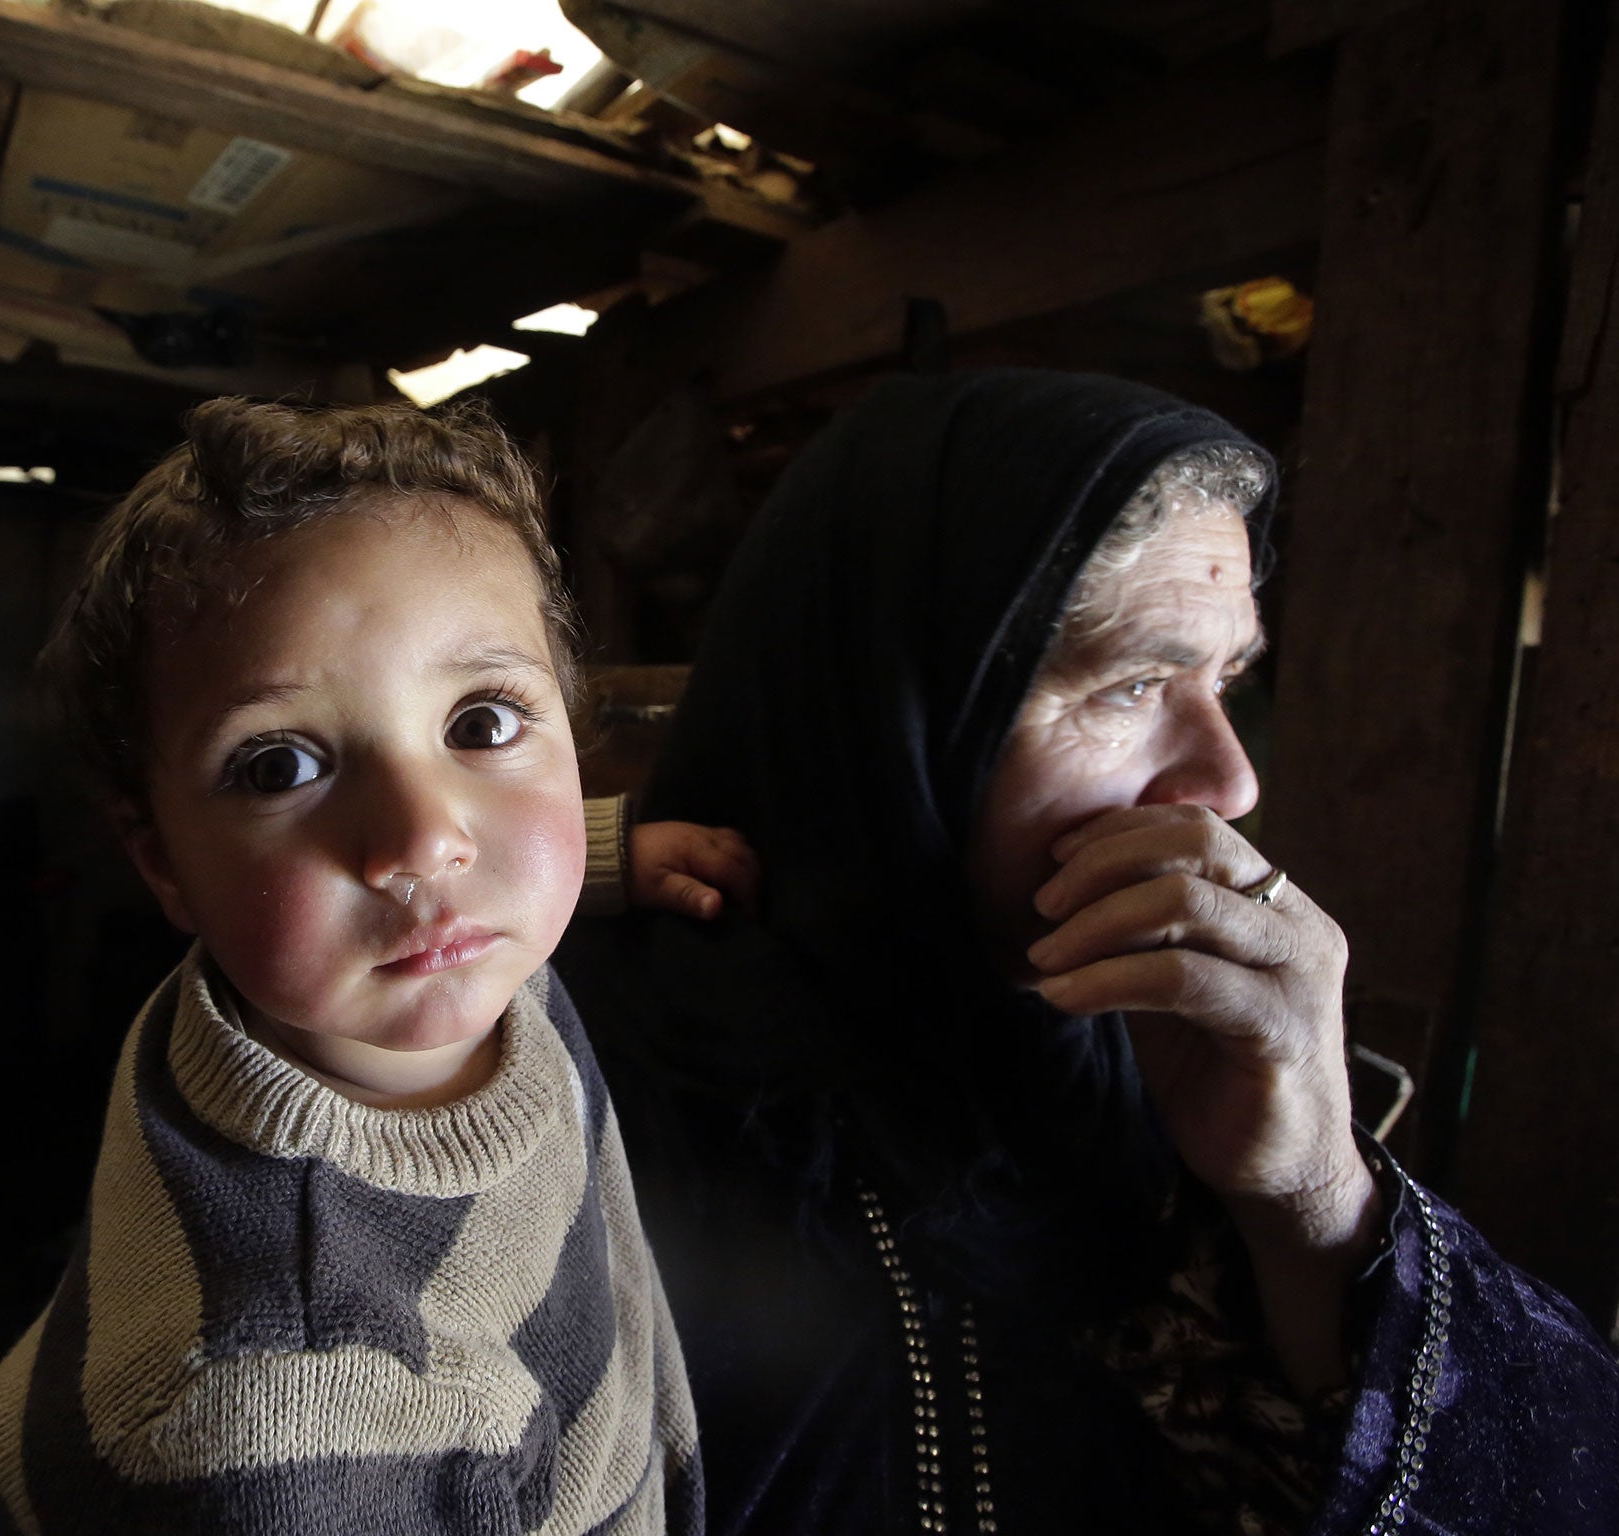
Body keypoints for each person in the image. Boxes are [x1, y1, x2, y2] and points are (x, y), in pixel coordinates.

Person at [556, 368, 1619, 1535]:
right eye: (1129, 683)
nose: (1228, 781)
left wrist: (1311, 1198)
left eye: (1223, 679)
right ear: (897, 703)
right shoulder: (553, 1105)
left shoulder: (1161, 1071)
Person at [0, 398, 755, 1534]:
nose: (425, 842)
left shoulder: (363, 963)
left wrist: (596, 855)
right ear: (163, 866)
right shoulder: (299, 1425)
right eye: (281, 765)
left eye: (483, 723)